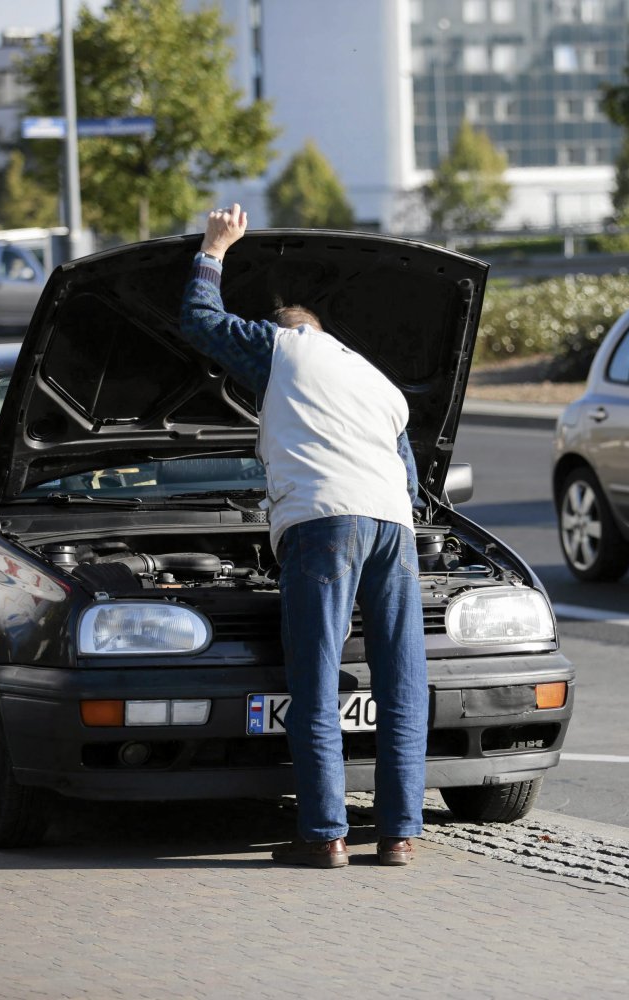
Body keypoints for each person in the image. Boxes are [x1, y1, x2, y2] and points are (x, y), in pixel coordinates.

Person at [177, 205, 428, 869]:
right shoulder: (380, 383)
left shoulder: (281, 345)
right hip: (392, 529)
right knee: (401, 684)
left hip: (324, 524)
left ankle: (324, 836)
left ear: (282, 332)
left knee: (315, 683)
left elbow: (199, 322)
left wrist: (214, 248)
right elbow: (410, 485)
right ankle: (400, 835)